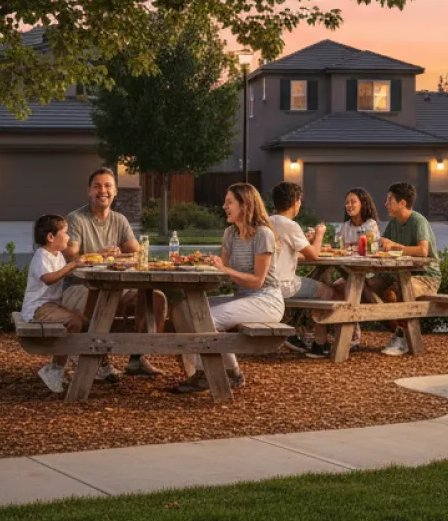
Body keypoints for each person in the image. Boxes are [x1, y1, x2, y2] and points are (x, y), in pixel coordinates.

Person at [170, 183, 284, 393]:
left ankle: (204, 374)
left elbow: (258, 280)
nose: (224, 206)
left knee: (205, 318)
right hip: (242, 296)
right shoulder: (230, 233)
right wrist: (203, 262)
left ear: (245, 205)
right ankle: (232, 372)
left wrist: (224, 269)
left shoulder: (263, 234)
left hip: (266, 300)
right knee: (185, 309)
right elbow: (223, 273)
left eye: (229, 202)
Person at [62, 166, 167, 381]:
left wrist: (122, 255)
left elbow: (136, 252)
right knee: (102, 297)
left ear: (115, 191)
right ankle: (97, 359)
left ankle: (138, 358)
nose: (103, 190)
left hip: (116, 285)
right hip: (79, 287)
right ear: (89, 191)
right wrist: (99, 254)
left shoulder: (120, 220)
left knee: (156, 298)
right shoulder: (76, 219)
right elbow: (70, 257)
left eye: (108, 186)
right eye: (97, 186)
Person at [22, 215, 88, 393]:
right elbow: (49, 279)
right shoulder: (41, 255)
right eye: (65, 233)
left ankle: (67, 364)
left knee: (85, 319)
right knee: (75, 322)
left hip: (53, 305)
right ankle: (56, 370)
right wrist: (72, 265)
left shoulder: (57, 254)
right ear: (51, 237)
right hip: (38, 309)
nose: (69, 237)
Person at [268, 181, 335, 357]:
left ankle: (295, 333)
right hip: (284, 285)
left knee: (313, 285)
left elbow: (289, 252)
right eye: (300, 201)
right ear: (296, 202)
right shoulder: (290, 225)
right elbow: (314, 255)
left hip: (266, 283)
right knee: (327, 291)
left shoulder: (267, 221)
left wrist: (305, 240)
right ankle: (319, 344)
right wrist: (320, 234)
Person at [375, 181, 442, 356]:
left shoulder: (418, 221)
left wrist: (394, 245)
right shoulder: (394, 223)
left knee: (392, 294)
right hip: (400, 276)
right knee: (367, 289)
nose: (385, 204)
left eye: (389, 200)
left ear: (402, 203)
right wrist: (381, 243)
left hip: (427, 277)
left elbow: (423, 251)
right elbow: (384, 243)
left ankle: (402, 339)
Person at [327, 188, 382, 355]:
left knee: (343, 288)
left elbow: (372, 249)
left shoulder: (370, 225)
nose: (349, 205)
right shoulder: (343, 227)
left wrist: (349, 247)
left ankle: (351, 335)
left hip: (367, 274)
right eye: (347, 202)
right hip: (349, 274)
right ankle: (349, 332)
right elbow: (339, 248)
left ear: (363, 203)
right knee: (333, 288)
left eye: (353, 202)